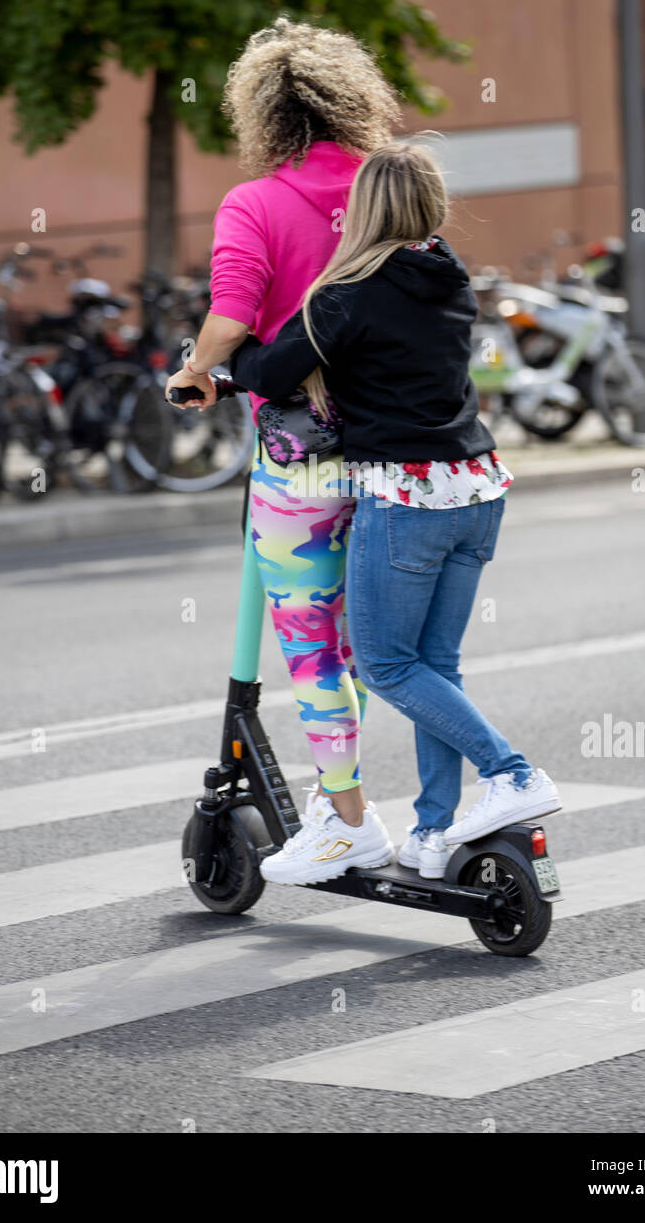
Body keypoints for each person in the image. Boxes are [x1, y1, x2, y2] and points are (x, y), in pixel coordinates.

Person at [226, 141, 561, 885]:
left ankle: (510, 772)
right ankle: (434, 832)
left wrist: (229, 365)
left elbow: (275, 370)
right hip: (478, 488)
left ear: (364, 211)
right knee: (435, 666)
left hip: (409, 499)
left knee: (384, 664)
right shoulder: (448, 274)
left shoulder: (350, 292)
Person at [165, 17, 399, 872]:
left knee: (308, 644)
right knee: (368, 645)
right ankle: (349, 795)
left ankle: (348, 820)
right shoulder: (388, 186)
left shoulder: (255, 202)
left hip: (301, 466)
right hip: (394, 454)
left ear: (264, 114)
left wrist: (195, 371)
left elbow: (232, 314)